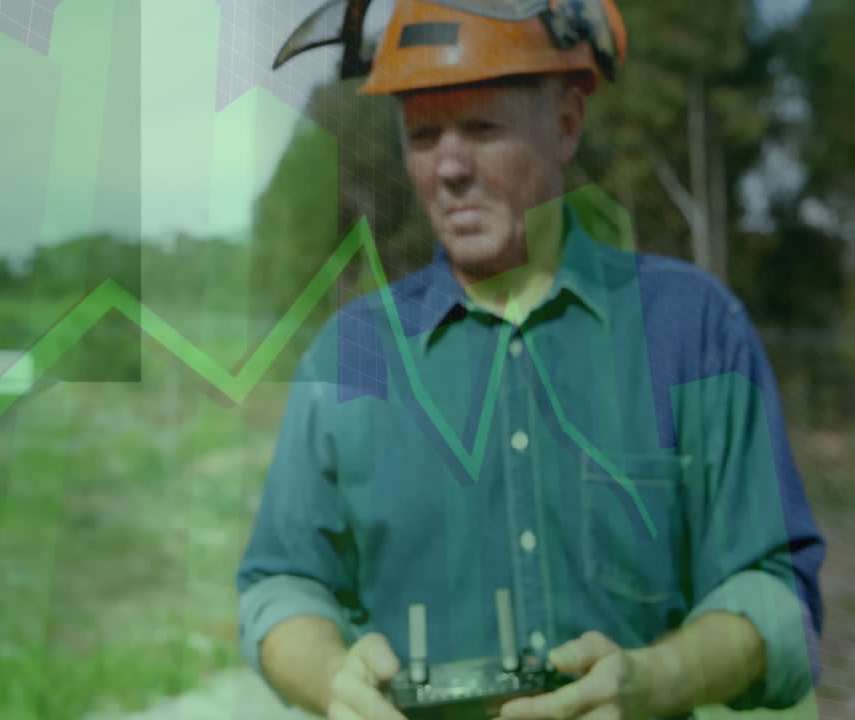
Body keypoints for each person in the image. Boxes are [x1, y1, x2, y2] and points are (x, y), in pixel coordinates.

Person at [235, 1, 826, 719]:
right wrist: (331, 678)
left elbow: (775, 589)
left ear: (567, 123)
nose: (448, 167)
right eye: (422, 135)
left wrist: (658, 680)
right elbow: (282, 582)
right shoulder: (352, 353)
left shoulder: (693, 329)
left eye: (481, 128)